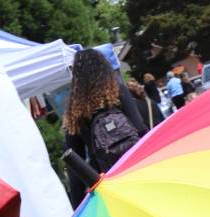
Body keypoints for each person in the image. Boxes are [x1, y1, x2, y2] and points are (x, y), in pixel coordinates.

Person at [63, 49, 147, 208]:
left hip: (109, 181)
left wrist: (77, 207)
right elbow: (141, 129)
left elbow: (74, 162)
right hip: (137, 168)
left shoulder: (75, 108)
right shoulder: (117, 90)